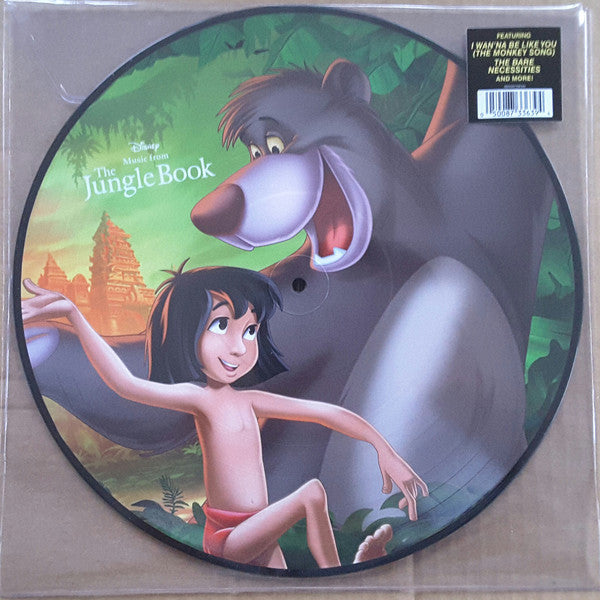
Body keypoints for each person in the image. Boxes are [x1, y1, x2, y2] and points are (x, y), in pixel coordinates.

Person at [22, 264, 428, 569]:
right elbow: (125, 384)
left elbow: (328, 413)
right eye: (221, 325)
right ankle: (340, 577)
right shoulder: (199, 398)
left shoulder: (251, 400)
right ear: (188, 334)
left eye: (250, 331)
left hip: (260, 531)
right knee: (312, 493)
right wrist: (75, 316)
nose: (239, 347)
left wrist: (384, 448)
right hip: (230, 536)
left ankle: (346, 571)